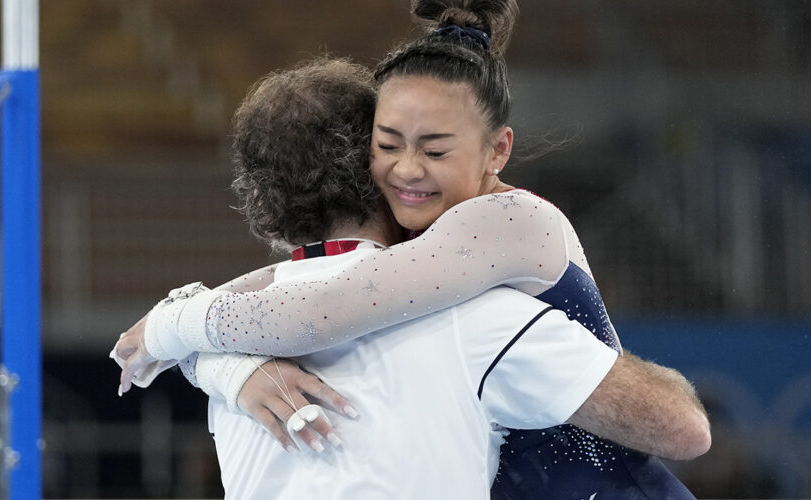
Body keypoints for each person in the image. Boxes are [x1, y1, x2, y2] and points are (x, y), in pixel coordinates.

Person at [114, 1, 711, 497]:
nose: (406, 170)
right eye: (389, 143)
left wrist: (182, 331)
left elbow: (319, 309)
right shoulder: (420, 252)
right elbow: (301, 281)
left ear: (498, 152)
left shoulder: (504, 221)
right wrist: (218, 358)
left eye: (435, 150)